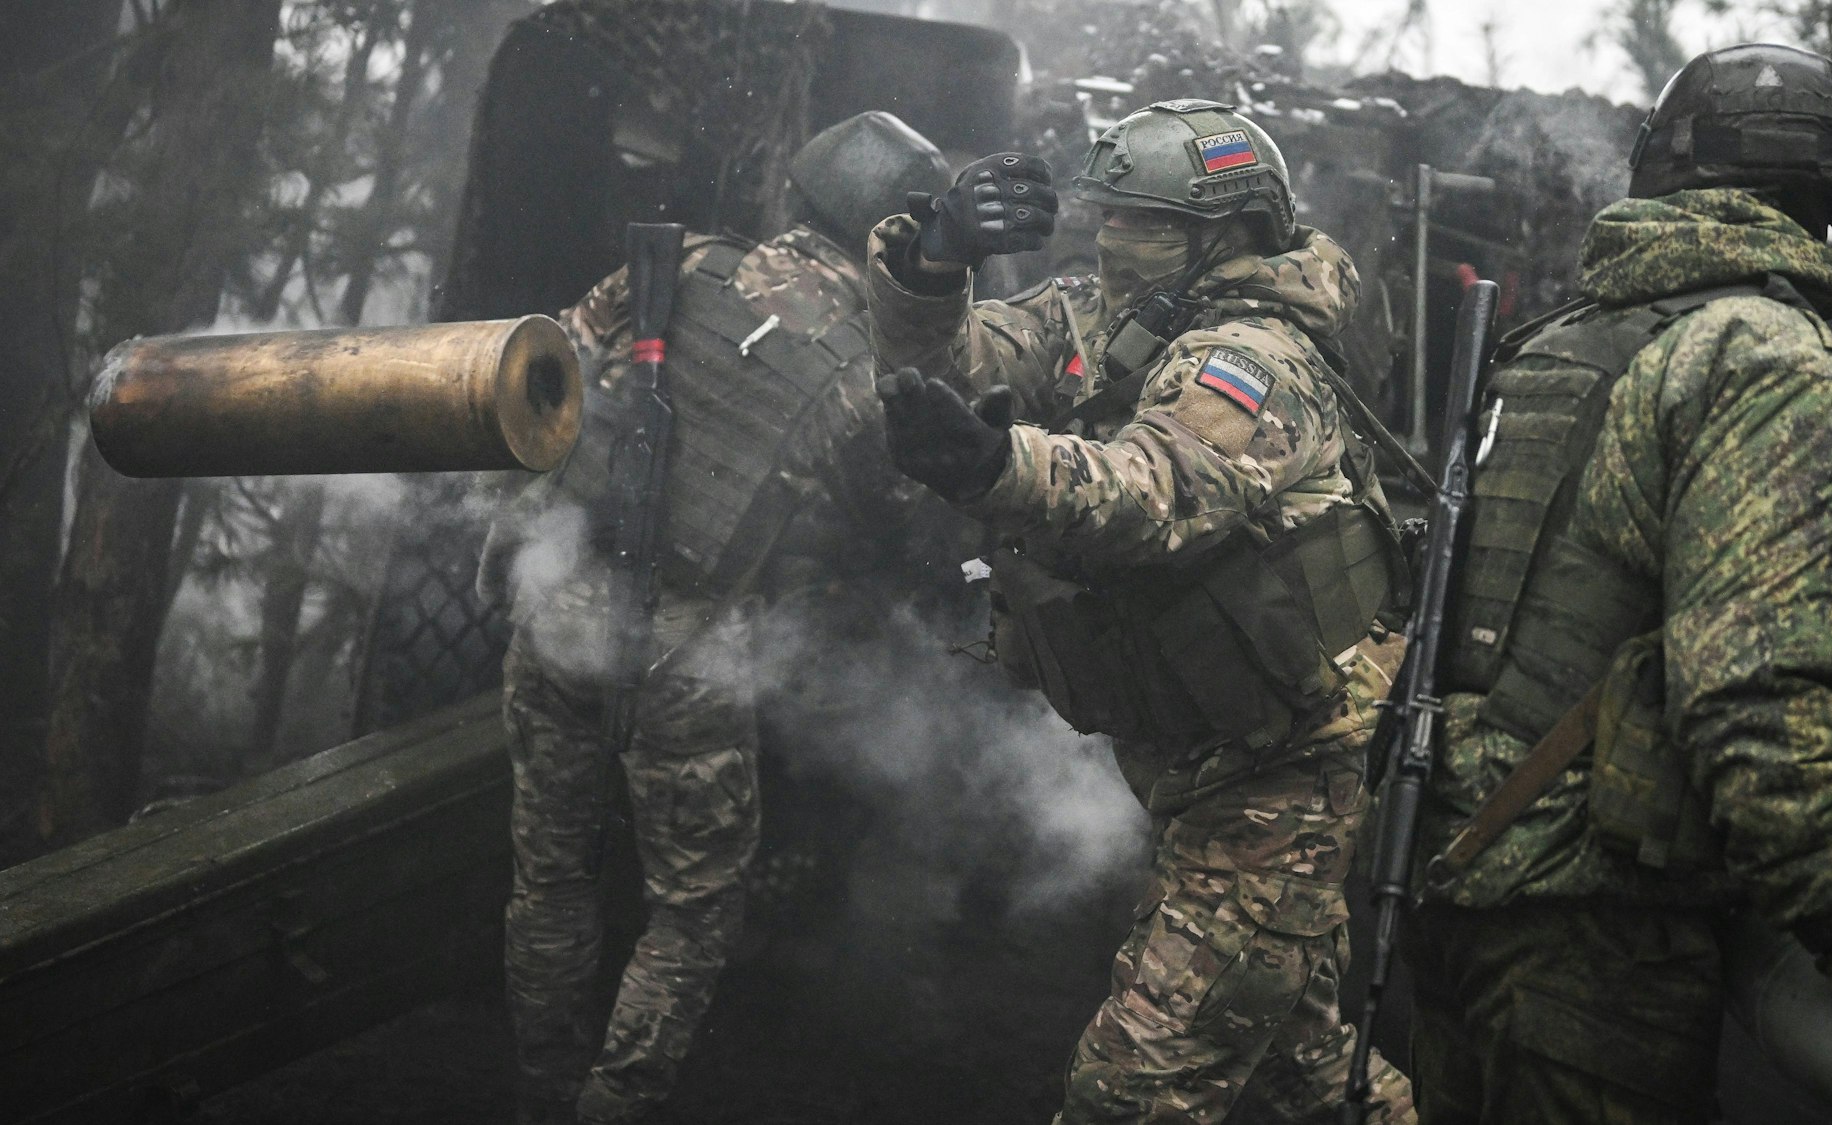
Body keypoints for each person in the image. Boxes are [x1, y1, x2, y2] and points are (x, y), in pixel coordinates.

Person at [1401, 44, 1832, 1123]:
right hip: (1600, 941)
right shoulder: (1764, 366)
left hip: (1454, 899)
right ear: (1822, 206)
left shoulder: (1557, 344)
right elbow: (1757, 712)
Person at [867, 98, 1416, 1124]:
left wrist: (1001, 463)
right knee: (1308, 1070)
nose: (1112, 237)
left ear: (1227, 233)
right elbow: (943, 370)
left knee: (1129, 1093)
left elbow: (1152, 491)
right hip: (1193, 750)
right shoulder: (1098, 315)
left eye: (1144, 221)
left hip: (1279, 771)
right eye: (1108, 214)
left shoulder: (1257, 358)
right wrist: (933, 261)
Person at [476, 111, 950, 1125]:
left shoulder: (676, 265)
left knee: (549, 876)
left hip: (557, 612)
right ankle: (612, 1105)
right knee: (691, 910)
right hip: (690, 657)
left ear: (800, 192)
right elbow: (898, 527)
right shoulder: (865, 375)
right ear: (894, 238)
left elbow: (544, 371)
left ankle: (540, 1089)